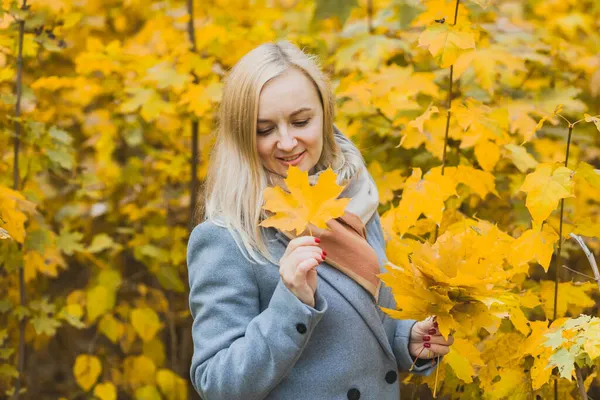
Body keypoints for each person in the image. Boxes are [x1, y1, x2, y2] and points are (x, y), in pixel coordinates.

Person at [187, 40, 454, 400]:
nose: (286, 142)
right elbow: (216, 383)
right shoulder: (226, 237)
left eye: (301, 121)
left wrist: (406, 340)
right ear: (241, 135)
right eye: (264, 129)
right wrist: (292, 302)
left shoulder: (355, 203)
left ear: (325, 116)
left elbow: (361, 325)